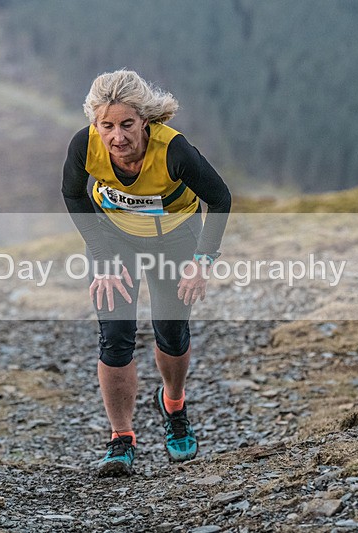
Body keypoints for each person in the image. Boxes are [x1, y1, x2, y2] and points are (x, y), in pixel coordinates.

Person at [62, 69, 231, 477]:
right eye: (107, 126)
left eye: (126, 124)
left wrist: (203, 261)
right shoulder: (84, 145)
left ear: (145, 121)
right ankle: (122, 439)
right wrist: (101, 256)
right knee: (116, 335)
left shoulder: (174, 150)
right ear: (95, 124)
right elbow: (72, 193)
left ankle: (173, 406)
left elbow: (221, 198)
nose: (117, 136)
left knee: (171, 334)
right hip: (114, 240)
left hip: (175, 240)